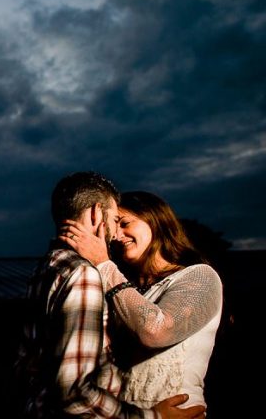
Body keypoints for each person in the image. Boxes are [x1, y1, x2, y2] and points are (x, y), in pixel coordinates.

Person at [17, 173, 206, 419]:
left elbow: (25, 365)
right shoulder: (83, 274)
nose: (116, 233)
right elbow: (75, 394)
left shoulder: (44, 269)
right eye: (117, 220)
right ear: (97, 213)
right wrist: (152, 417)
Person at [59, 191, 223, 410]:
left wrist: (103, 264)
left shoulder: (200, 276)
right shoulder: (123, 288)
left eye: (124, 223)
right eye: (112, 226)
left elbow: (157, 331)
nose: (116, 235)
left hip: (178, 412)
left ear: (155, 220)